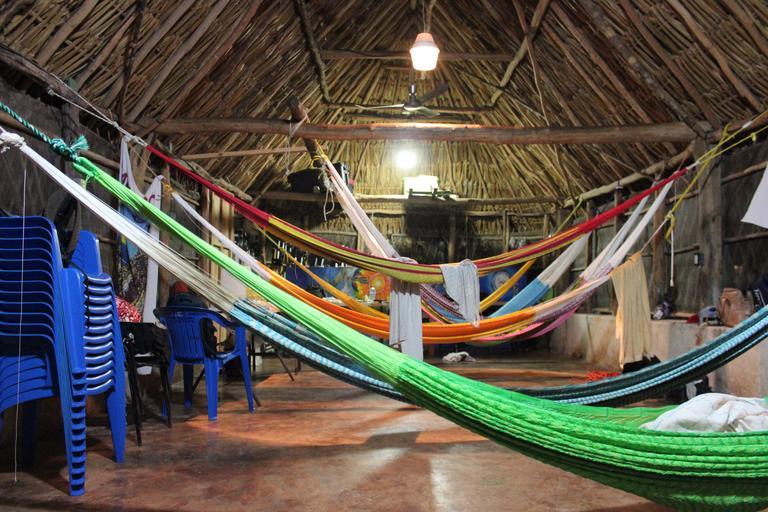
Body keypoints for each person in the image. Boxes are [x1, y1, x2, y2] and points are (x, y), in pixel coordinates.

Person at [166, 281, 218, 356]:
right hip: (201, 351)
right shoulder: (200, 304)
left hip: (176, 352)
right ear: (187, 291)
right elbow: (208, 328)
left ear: (173, 293)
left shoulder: (170, 306)